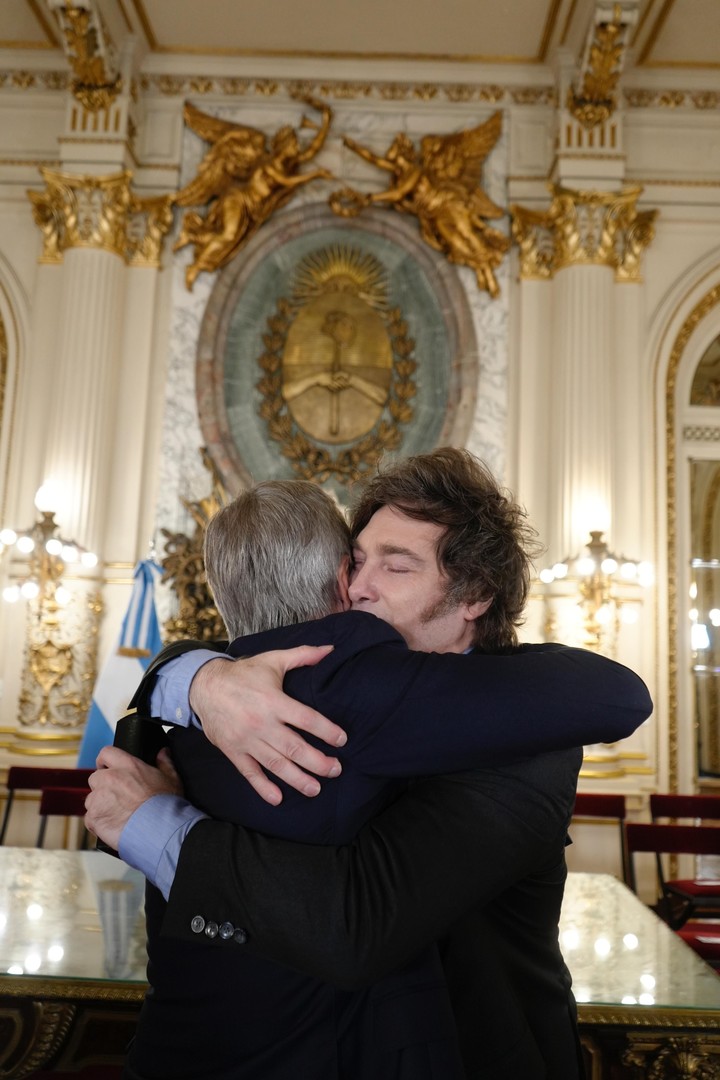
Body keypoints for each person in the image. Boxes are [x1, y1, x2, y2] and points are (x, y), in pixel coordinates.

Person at [87, 449, 653, 1079]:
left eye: (397, 565)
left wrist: (153, 821)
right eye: (357, 560)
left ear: (475, 595)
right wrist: (196, 677)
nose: (357, 587)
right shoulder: (291, 687)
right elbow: (214, 659)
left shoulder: (533, 735)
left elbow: (350, 922)